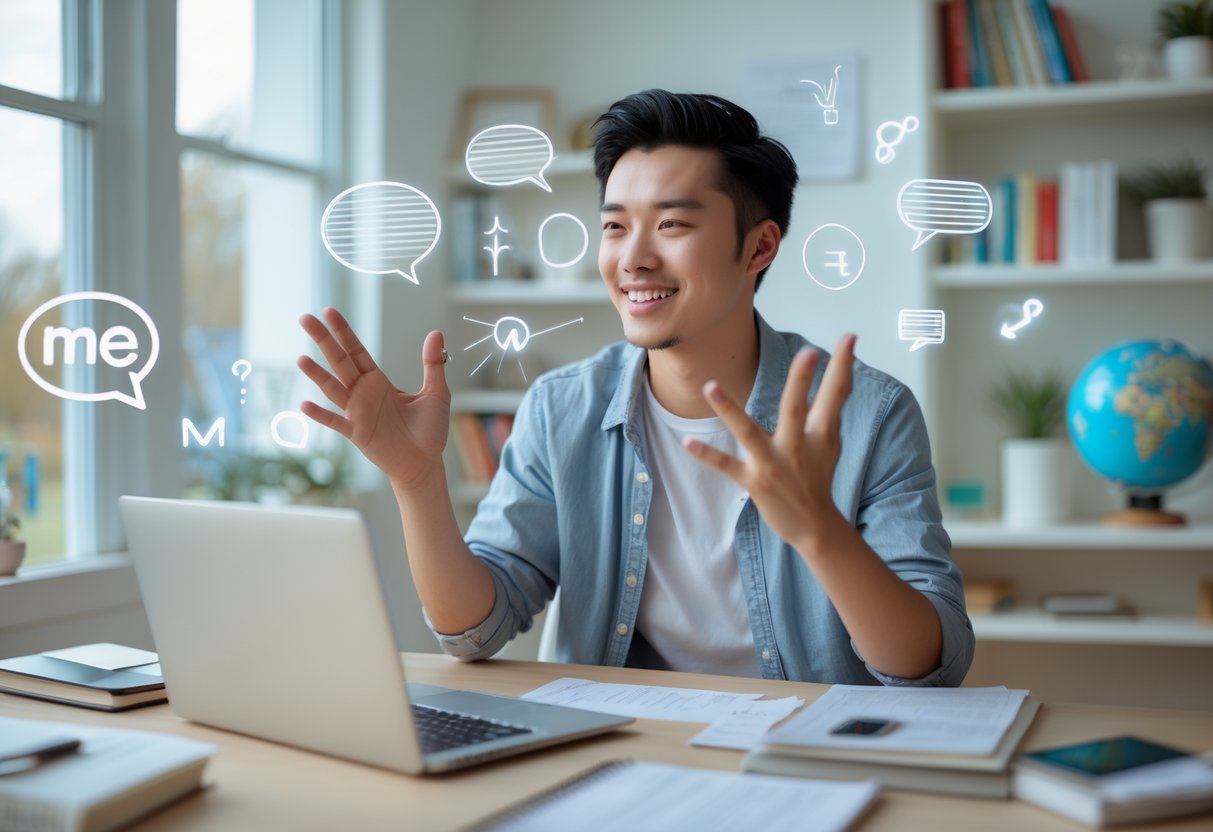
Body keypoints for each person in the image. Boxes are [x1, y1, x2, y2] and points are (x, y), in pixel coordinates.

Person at [299, 89, 974, 686]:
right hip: (624, 753)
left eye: (672, 224)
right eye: (615, 226)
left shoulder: (867, 413)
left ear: (758, 248)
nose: (633, 258)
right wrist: (417, 481)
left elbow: (927, 664)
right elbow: (476, 629)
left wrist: (820, 532)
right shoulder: (561, 407)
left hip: (804, 757)